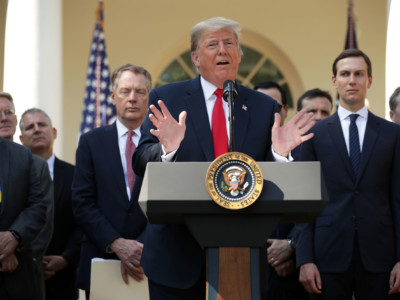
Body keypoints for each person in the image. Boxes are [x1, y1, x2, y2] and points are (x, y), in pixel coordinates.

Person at [133, 17, 315, 299]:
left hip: (240, 253)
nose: (223, 50)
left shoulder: (263, 107)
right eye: (213, 44)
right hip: (175, 253)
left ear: (239, 55)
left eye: (229, 43)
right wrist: (167, 151)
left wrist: (279, 156)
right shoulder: (167, 97)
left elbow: (272, 181)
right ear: (195, 57)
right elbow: (141, 159)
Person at [295, 49, 400, 299]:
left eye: (358, 74)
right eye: (345, 74)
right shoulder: (314, 135)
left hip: (381, 257)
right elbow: (304, 203)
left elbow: (398, 199)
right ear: (335, 81)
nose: (352, 80)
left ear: (369, 81)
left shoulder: (392, 134)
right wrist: (305, 259)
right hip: (326, 255)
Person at [72, 64, 150, 298]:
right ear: (113, 97)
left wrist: (141, 249)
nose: (133, 98)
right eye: (125, 91)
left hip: (151, 261)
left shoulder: (163, 143)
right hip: (101, 258)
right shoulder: (90, 142)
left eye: (140, 92)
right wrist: (116, 243)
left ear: (149, 96)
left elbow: (170, 202)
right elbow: (82, 202)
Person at [264, 88, 333, 300]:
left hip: (316, 261)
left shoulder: (337, 154)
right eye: (312, 111)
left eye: (325, 112)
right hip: (269, 261)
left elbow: (329, 206)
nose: (319, 117)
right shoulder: (272, 150)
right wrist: (276, 251)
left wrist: (292, 244)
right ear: (298, 114)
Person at [19, 108, 81, 300]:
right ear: (21, 139)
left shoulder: (76, 175)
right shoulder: (14, 177)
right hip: (21, 277)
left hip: (63, 278)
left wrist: (66, 258)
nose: (37, 130)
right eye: (30, 127)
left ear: (53, 132)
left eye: (42, 125)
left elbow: (83, 219)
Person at [0, 92, 53, 299]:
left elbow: (38, 206)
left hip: (19, 277)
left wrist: (15, 238)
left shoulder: (22, 155)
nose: (3, 117)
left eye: (8, 112)